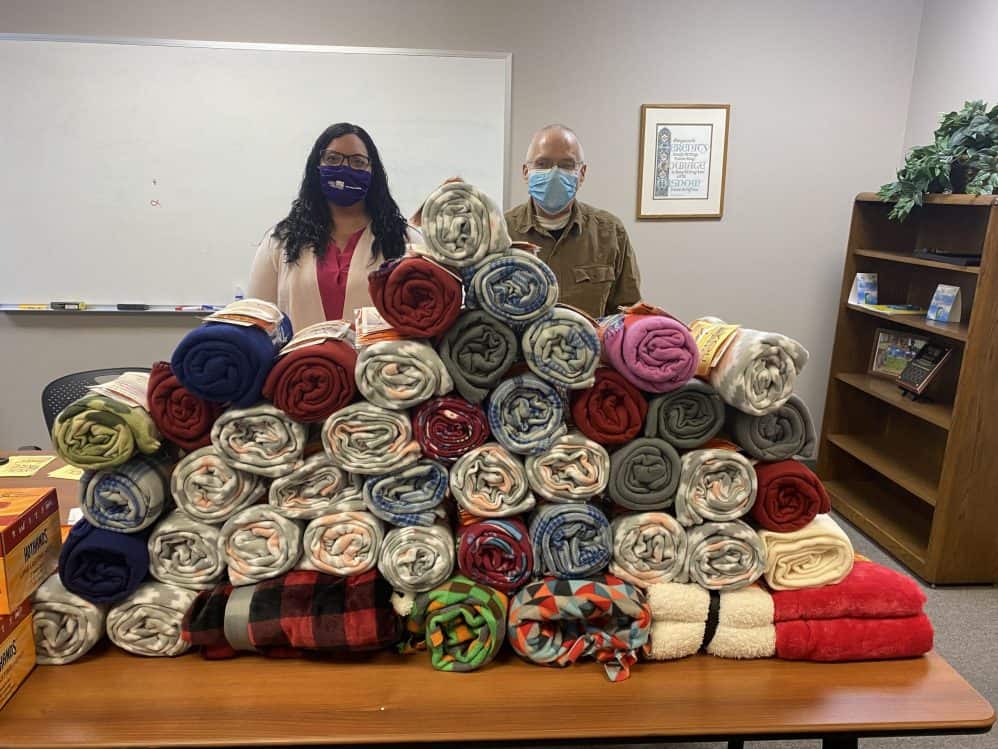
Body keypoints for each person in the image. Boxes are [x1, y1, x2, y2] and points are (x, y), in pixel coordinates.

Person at [248, 122, 418, 330]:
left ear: (373, 171)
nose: (345, 169)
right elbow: (255, 320)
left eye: (358, 162)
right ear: (316, 166)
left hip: (378, 362)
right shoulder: (282, 240)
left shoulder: (405, 240)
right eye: (333, 159)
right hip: (300, 362)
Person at [505, 124, 642, 319]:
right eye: (542, 163)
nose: (554, 173)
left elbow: (629, 312)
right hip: (520, 349)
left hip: (591, 347)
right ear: (526, 171)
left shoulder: (610, 232)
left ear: (582, 173)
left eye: (566, 165)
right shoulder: (501, 232)